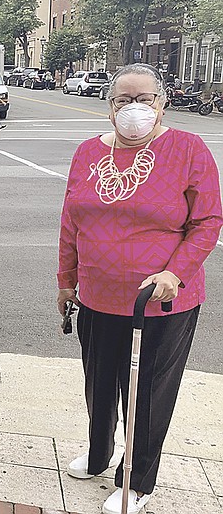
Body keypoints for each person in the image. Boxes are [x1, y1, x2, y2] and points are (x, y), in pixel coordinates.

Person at [57, 63, 222, 514]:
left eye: (143, 99)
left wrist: (176, 272)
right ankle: (97, 453)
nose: (134, 108)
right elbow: (72, 220)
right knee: (100, 382)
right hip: (96, 295)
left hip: (160, 300)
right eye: (123, 100)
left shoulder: (188, 149)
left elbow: (207, 222)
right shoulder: (88, 153)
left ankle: (138, 478)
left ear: (161, 102)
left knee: (145, 391)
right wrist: (66, 280)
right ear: (109, 108)